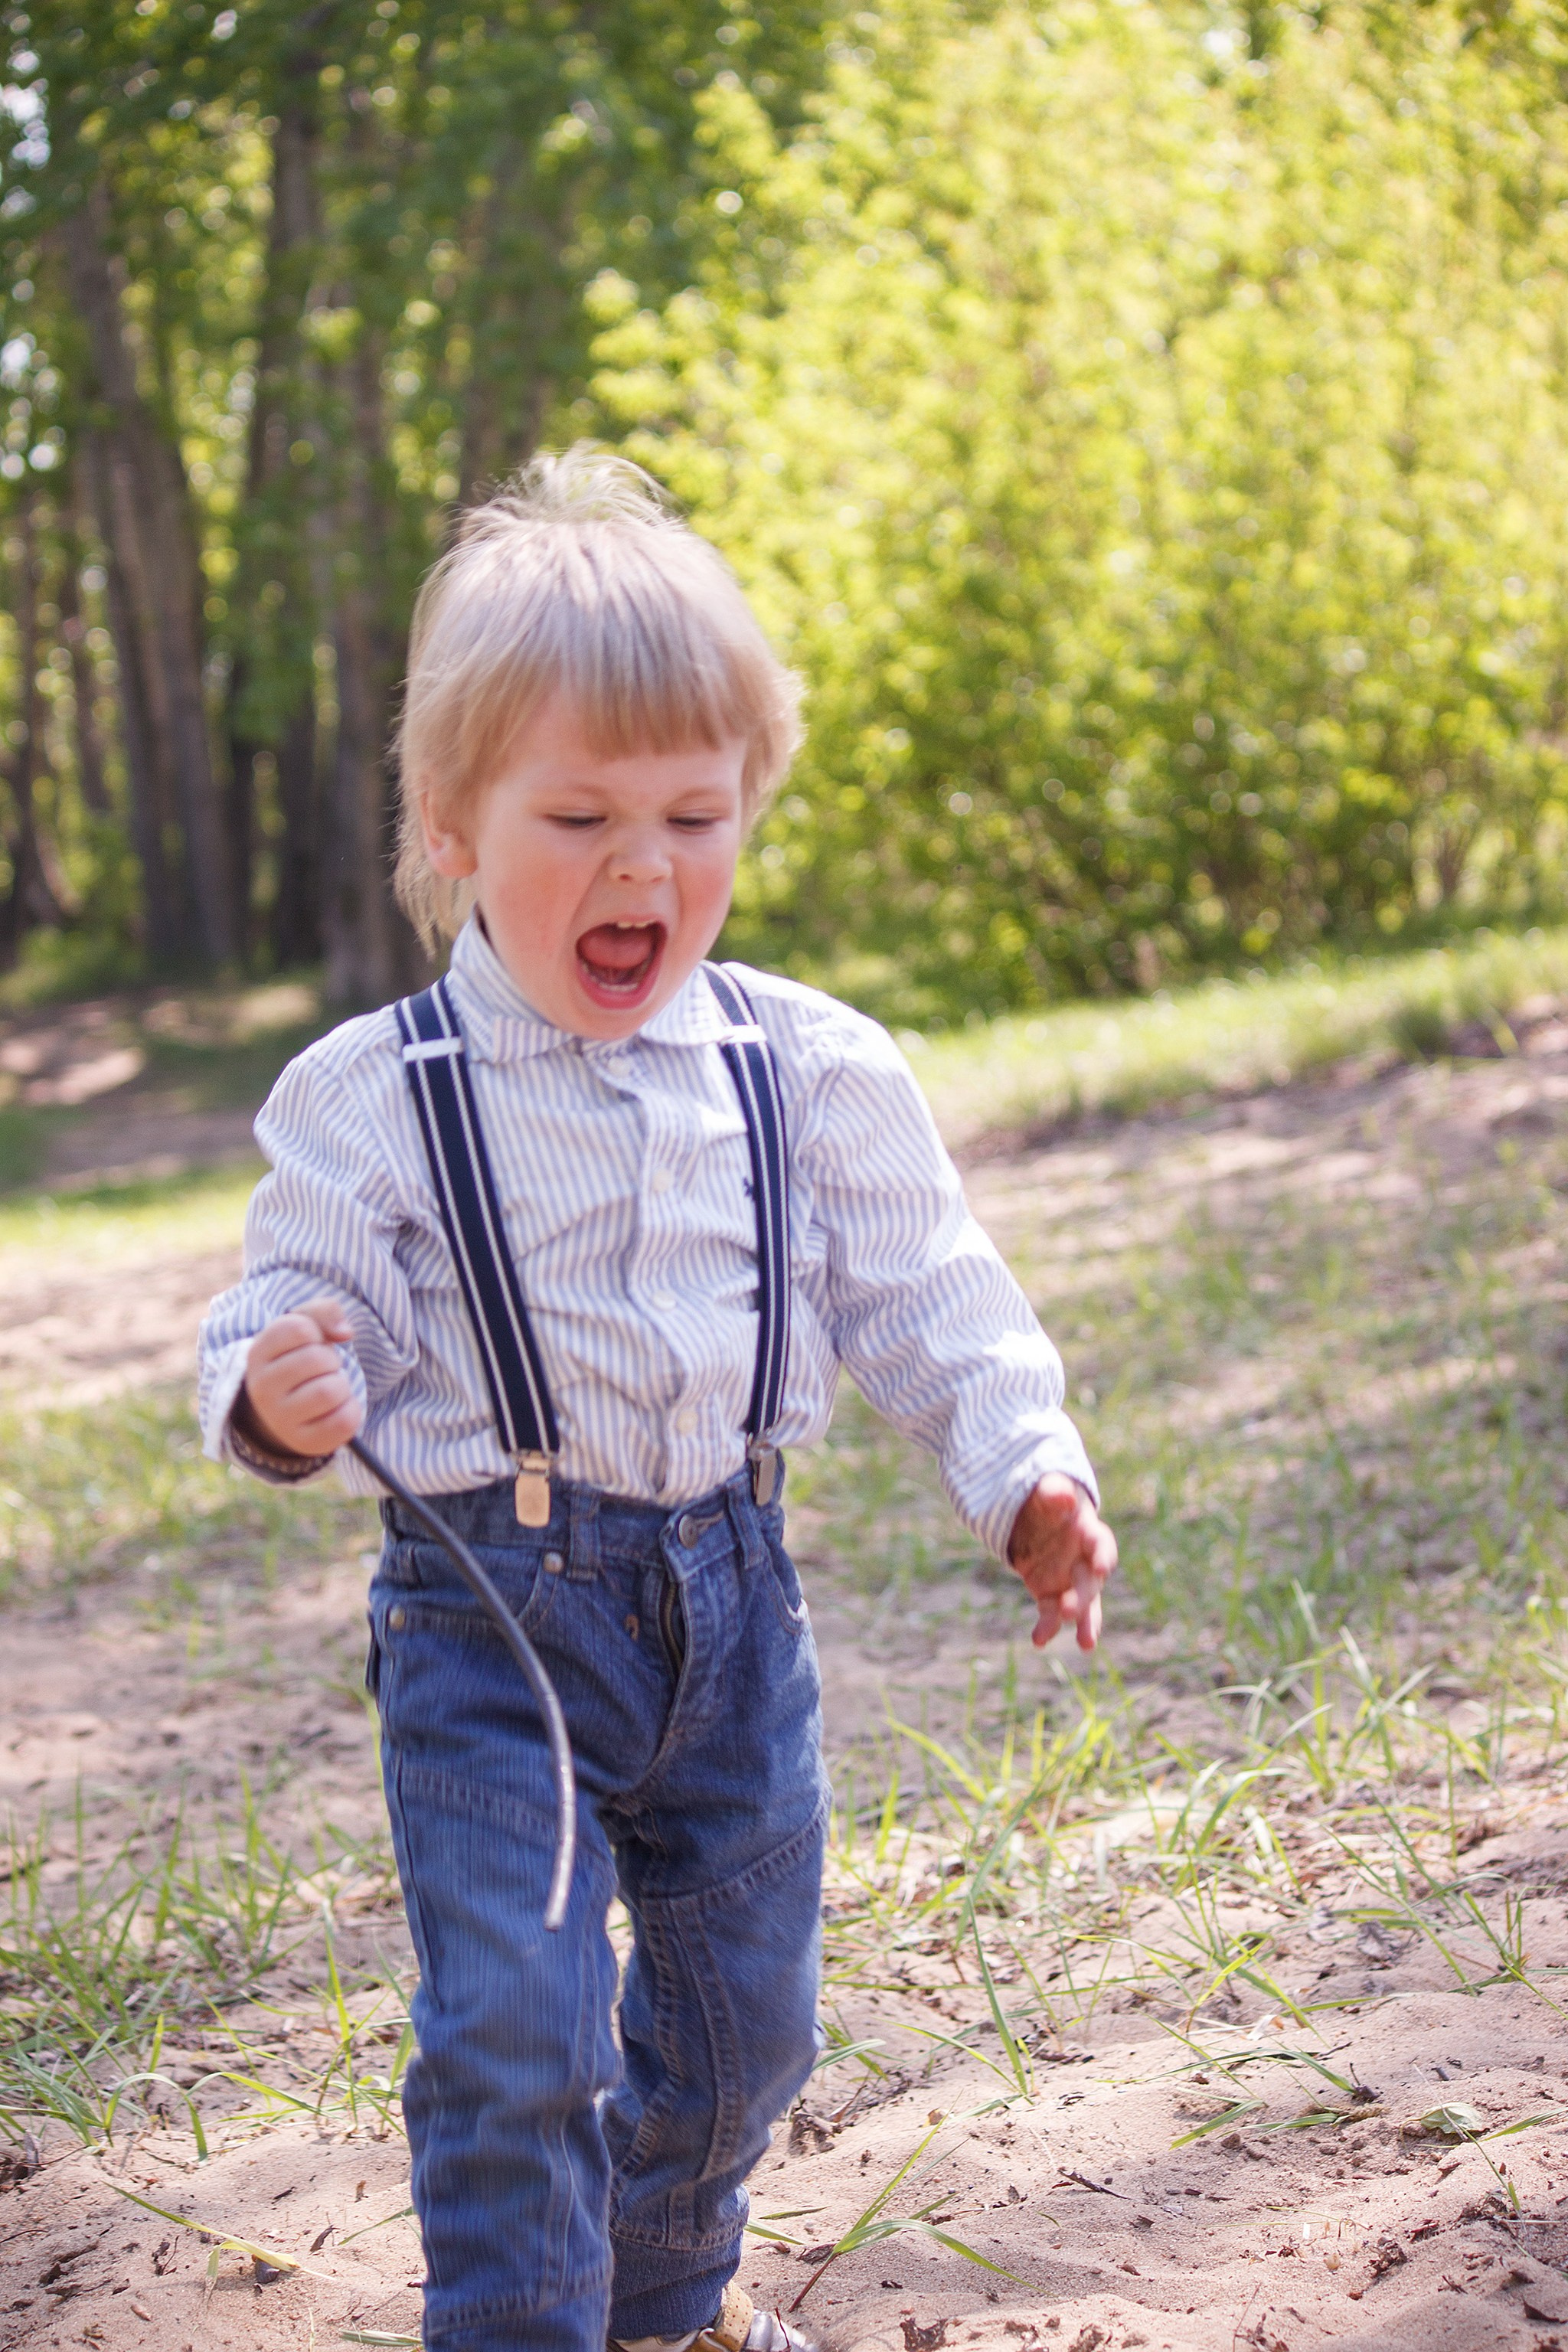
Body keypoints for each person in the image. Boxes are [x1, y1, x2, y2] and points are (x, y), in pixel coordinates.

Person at [197, 449, 1116, 2352]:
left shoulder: (808, 1067)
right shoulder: (381, 1095)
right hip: (489, 1626)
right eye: (580, 818)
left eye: (695, 817)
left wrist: (1025, 1471)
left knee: (744, 2018)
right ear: (452, 825)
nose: (643, 870)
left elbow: (930, 1294)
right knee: (513, 2030)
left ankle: (666, 2298)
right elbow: (280, 1309)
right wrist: (281, 1393)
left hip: (732, 1606)